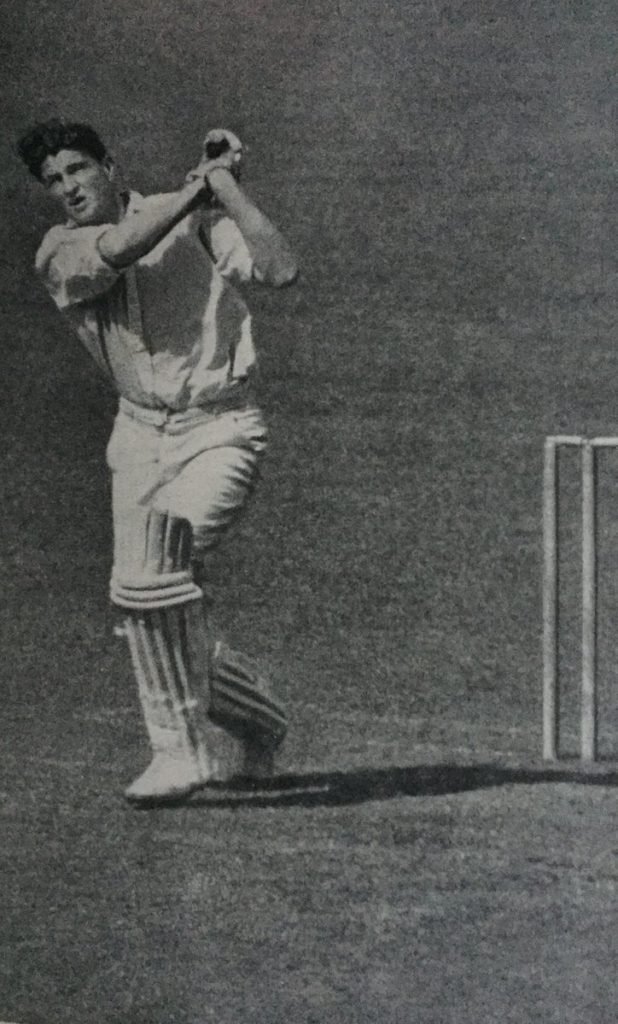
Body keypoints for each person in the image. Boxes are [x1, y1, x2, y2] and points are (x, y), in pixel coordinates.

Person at [17, 118, 298, 807]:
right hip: (139, 438)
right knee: (148, 599)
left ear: (110, 166)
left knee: (153, 583)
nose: (68, 188)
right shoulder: (61, 249)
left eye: (78, 170)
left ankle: (180, 755)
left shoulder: (195, 219)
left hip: (222, 429)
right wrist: (196, 184)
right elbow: (120, 249)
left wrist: (223, 183)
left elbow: (280, 268)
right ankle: (260, 718)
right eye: (54, 181)